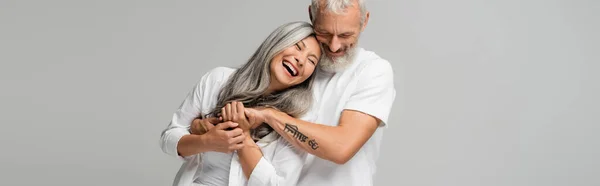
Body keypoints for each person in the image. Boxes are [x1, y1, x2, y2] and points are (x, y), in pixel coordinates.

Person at [194, 0, 396, 185]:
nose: (334, 46)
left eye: (345, 35)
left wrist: (270, 115)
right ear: (311, 16)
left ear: (365, 21)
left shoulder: (373, 70)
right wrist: (202, 127)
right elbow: (243, 127)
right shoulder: (294, 66)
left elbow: (341, 147)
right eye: (324, 32)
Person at [159, 21, 322, 186]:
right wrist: (206, 141)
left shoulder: (299, 120)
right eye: (298, 47)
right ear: (277, 43)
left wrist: (243, 136)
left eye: (311, 61)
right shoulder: (218, 80)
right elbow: (168, 138)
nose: (300, 60)